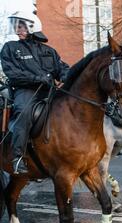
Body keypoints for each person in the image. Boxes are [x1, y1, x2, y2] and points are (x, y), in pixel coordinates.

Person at [0, 11, 69, 174]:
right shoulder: (10, 48)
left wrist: (68, 76)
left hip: (50, 91)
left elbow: (63, 69)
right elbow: (13, 74)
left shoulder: (49, 51)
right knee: (23, 113)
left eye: (21, 25)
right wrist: (38, 78)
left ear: (32, 26)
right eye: (16, 25)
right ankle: (17, 158)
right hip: (25, 91)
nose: (18, 29)